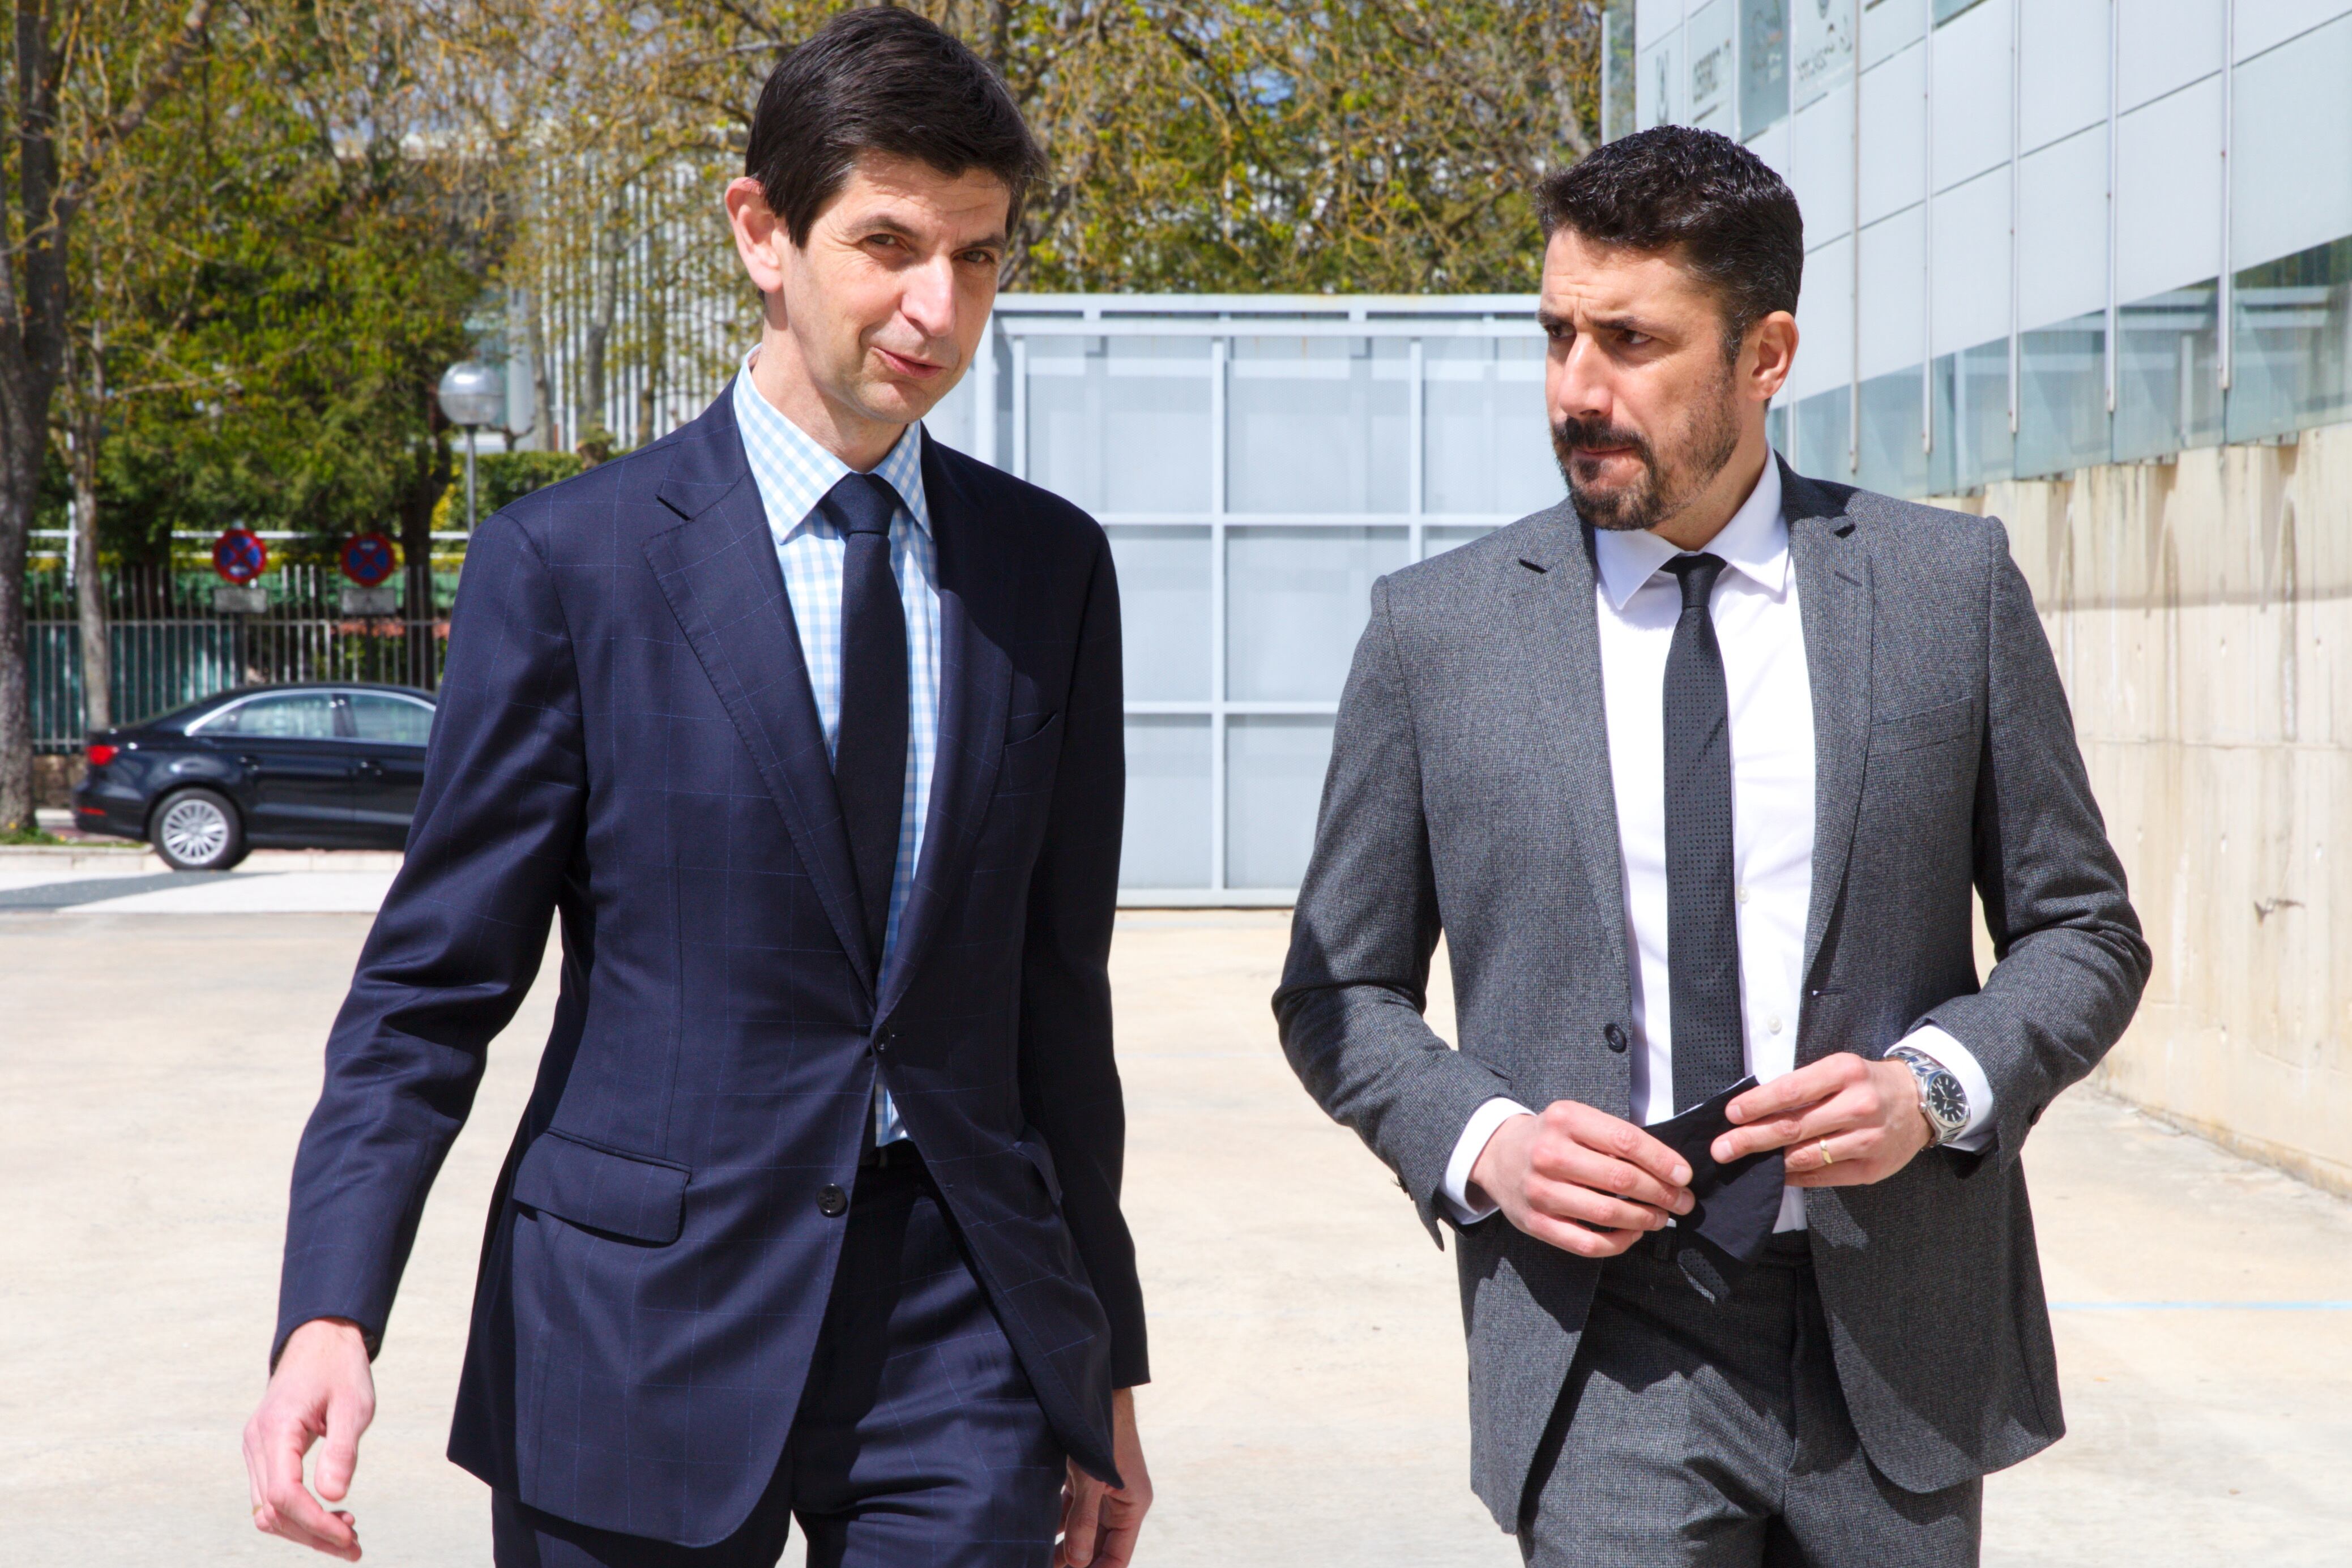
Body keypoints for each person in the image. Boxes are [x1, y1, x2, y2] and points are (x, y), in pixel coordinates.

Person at [242, 12, 1152, 1566]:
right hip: (630, 1324)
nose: (940, 305)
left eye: (981, 256)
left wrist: (1101, 1370)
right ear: (762, 232)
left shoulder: (1046, 570)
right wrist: (331, 1305)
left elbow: (1054, 1006)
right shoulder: (568, 565)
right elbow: (431, 985)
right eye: (888, 243)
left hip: (960, 1330)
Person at [1274, 125, 2149, 1566]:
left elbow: (2085, 930)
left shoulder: (1946, 590)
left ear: (1766, 352)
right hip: (1599, 1338)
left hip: (1897, 1346)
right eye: (1556, 334)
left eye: (1631, 340)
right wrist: (1488, 1144)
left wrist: (1932, 1086)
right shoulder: (1435, 630)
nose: (1576, 388)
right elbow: (1335, 990)